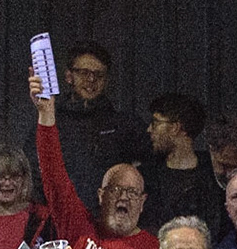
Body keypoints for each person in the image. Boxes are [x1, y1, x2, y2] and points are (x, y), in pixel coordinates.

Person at [30, 70, 159, 249]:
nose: (124, 197)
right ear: (101, 195)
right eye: (116, 189)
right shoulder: (81, 229)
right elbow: (54, 175)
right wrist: (46, 113)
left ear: (143, 202)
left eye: (132, 192)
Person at [24, 41, 148, 208]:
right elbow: (31, 174)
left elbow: (143, 177)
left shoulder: (124, 125)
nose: (91, 79)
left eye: (99, 74)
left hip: (109, 224)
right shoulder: (51, 123)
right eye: (84, 73)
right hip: (57, 223)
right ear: (69, 76)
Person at [141, 92, 215, 230]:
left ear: (175, 127)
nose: (149, 129)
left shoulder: (213, 175)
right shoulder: (146, 176)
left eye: (155, 123)